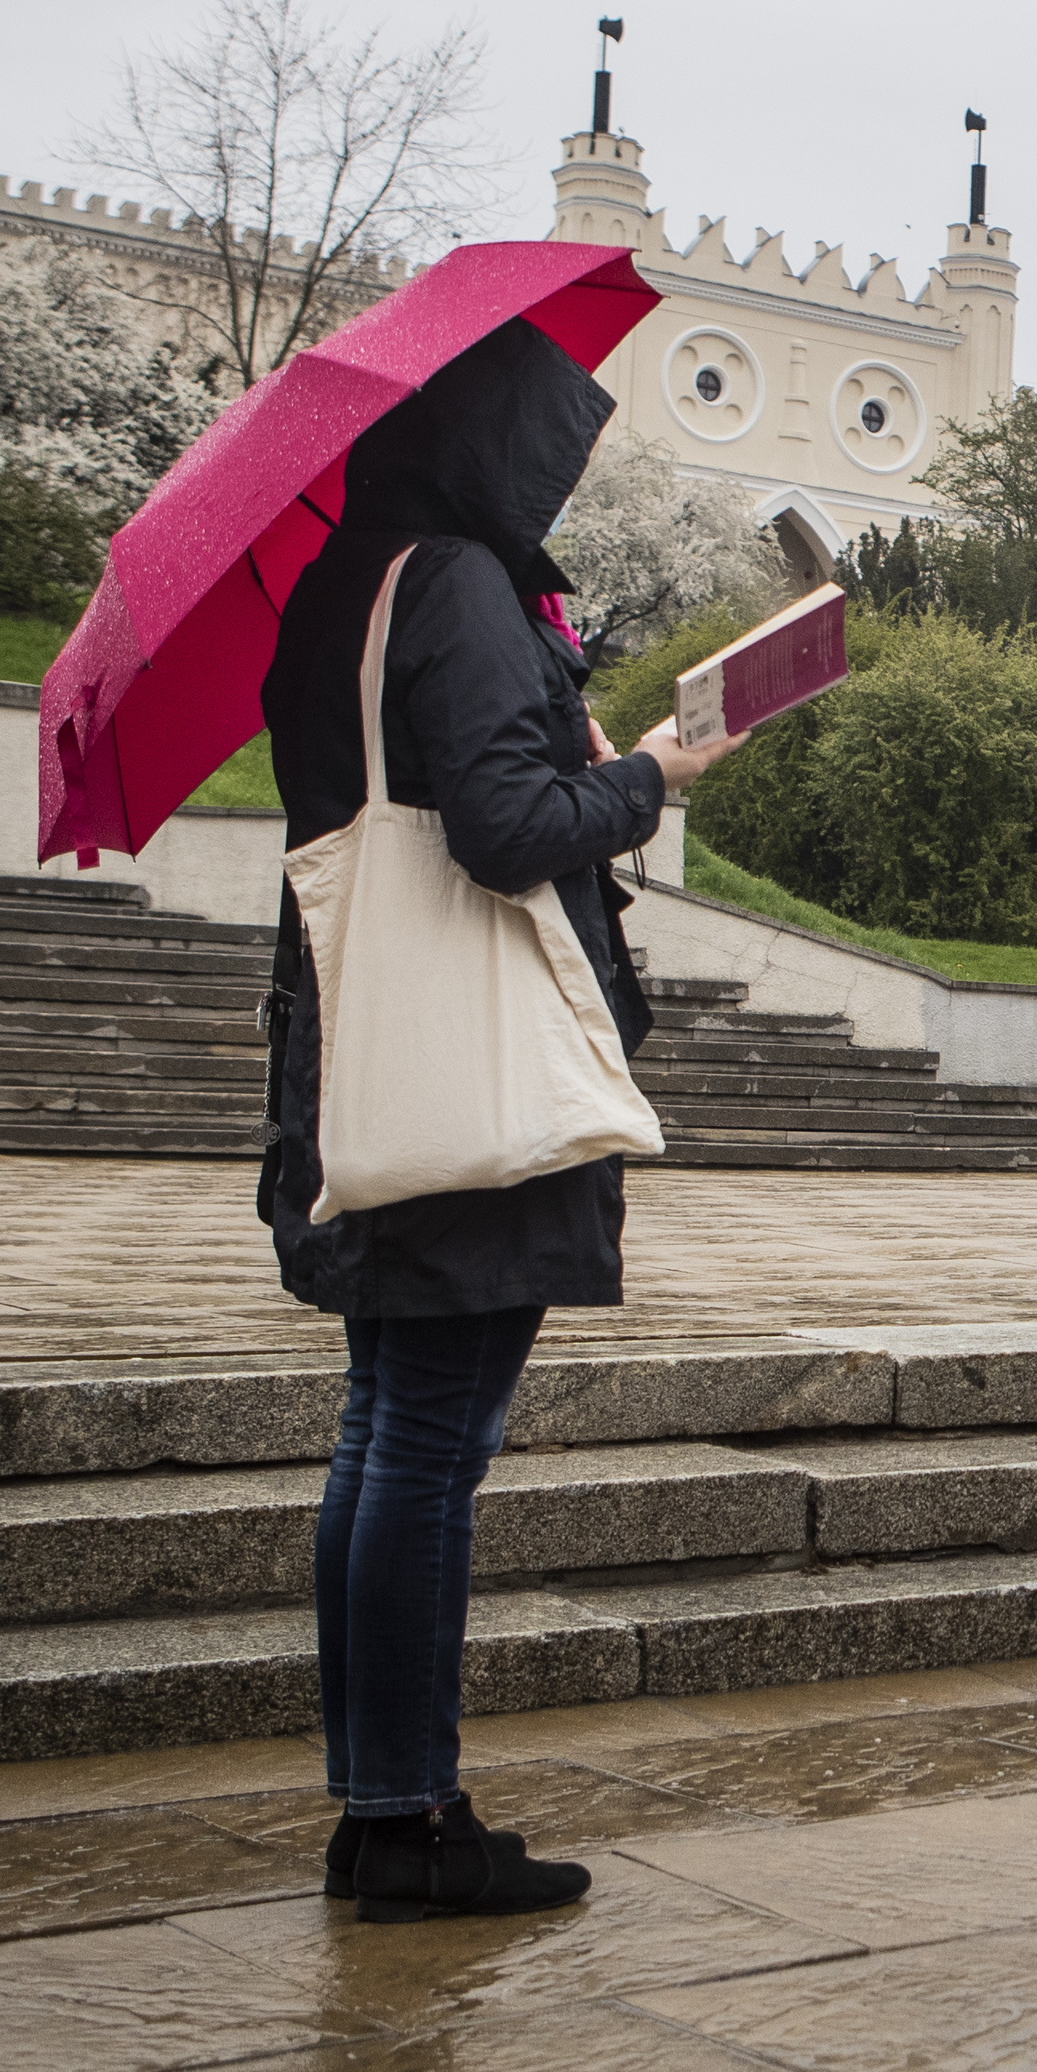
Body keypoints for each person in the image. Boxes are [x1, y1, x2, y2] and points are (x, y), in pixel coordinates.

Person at [260, 323, 744, 1922]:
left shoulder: (351, 574)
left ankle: (374, 1804)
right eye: (548, 448)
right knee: (428, 1447)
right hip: (466, 1059)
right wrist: (654, 773)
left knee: (381, 1431)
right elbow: (504, 830)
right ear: (490, 439)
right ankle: (408, 1822)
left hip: (370, 1047)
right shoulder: (457, 580)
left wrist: (567, 747)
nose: (556, 479)